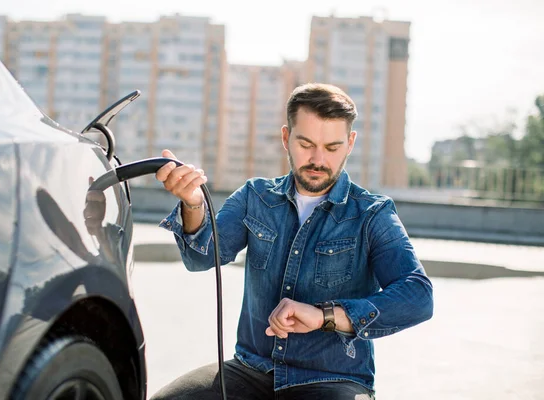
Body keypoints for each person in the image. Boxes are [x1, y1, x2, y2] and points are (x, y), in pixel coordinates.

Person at [152, 83, 434, 399]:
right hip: (250, 370)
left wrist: (327, 316)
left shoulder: (372, 214)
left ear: (350, 143)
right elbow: (201, 258)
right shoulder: (254, 197)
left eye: (332, 147)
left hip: (333, 380)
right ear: (286, 138)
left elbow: (418, 296)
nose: (317, 159)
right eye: (306, 143)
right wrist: (192, 202)